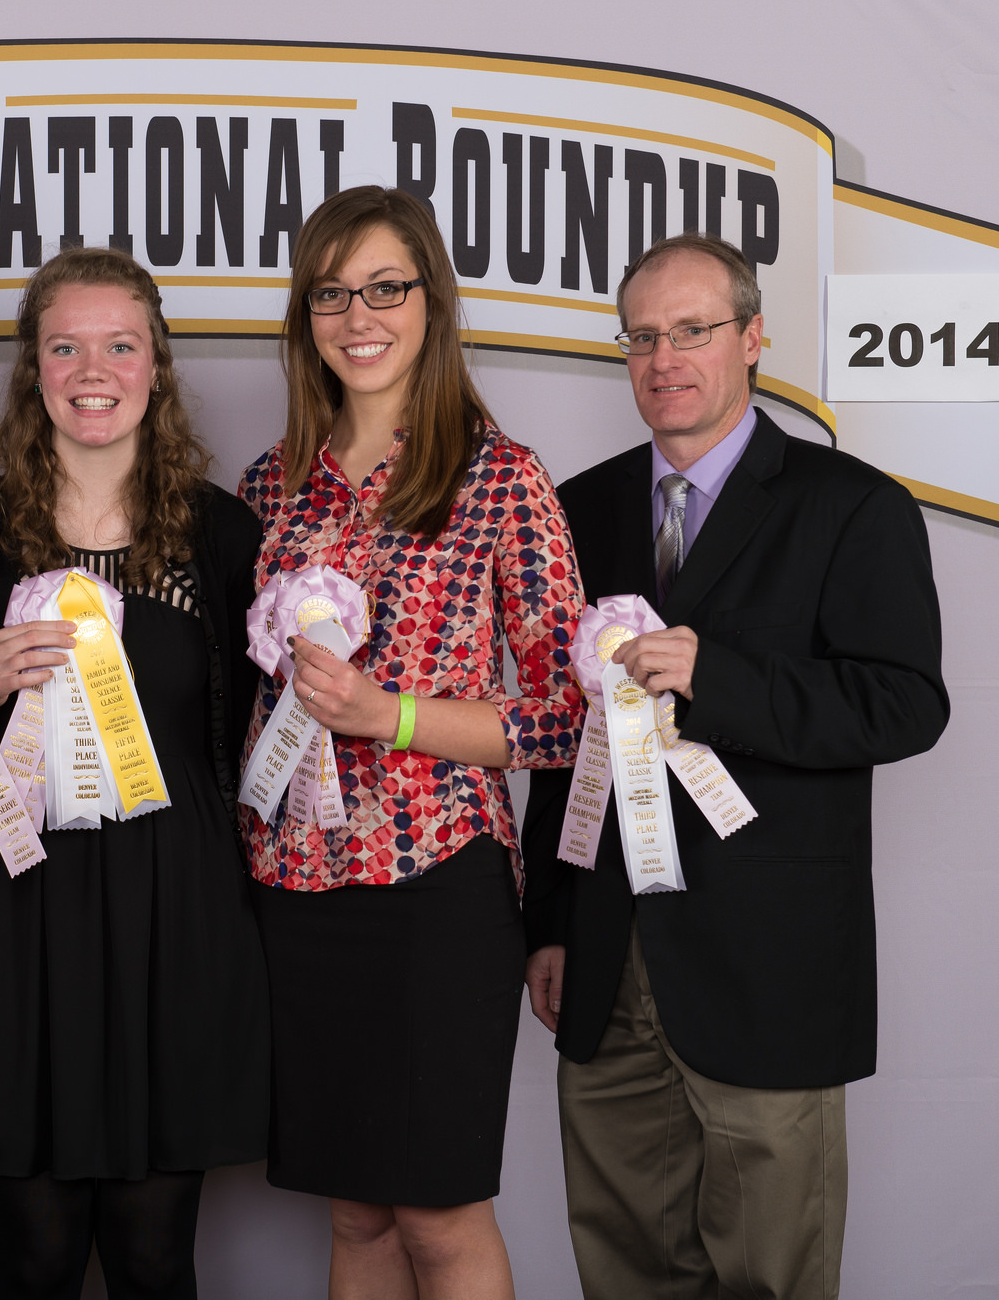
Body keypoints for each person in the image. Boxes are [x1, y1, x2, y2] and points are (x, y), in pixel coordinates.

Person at [520, 231, 949, 1300]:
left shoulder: (850, 506)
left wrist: (723, 677)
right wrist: (548, 922)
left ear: (751, 339)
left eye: (693, 331)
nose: (664, 359)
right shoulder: (577, 512)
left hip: (770, 967)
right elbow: (550, 731)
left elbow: (903, 703)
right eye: (642, 337)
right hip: (609, 957)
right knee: (623, 1266)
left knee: (770, 1273)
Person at [235, 186, 583, 1300]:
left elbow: (564, 715)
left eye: (385, 286)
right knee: (356, 1213)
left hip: (439, 884)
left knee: (436, 1212)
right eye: (330, 292)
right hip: (293, 884)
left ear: (430, 299)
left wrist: (388, 716)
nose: (357, 314)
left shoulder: (499, 476)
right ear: (305, 316)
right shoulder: (266, 487)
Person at [0, 246, 268, 1300]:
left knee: (157, 1255)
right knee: (34, 1254)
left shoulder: (221, 533)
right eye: (64, 346)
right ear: (33, 368)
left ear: (155, 365)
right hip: (16, 918)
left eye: (119, 344)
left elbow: (250, 736)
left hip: (177, 915)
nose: (92, 368)